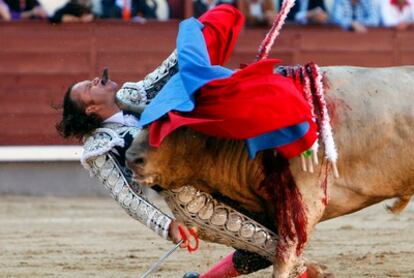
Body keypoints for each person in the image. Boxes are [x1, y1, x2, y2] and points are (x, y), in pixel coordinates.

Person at [56, 5, 314, 278]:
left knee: (269, 237)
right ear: (91, 110)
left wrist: (196, 36)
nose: (96, 79)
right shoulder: (100, 148)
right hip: (190, 199)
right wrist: (167, 226)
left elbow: (169, 70)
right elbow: (129, 197)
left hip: (216, 174)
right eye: (88, 87)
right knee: (275, 246)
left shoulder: (133, 94)